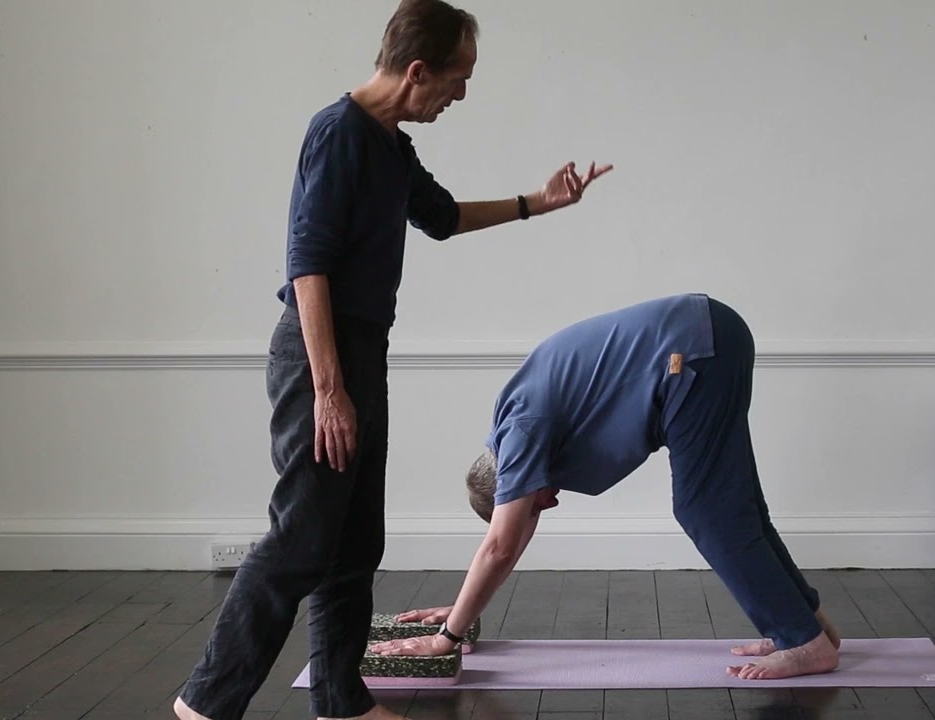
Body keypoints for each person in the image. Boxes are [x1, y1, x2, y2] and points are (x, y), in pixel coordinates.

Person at [173, 1, 612, 718]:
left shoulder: (389, 143)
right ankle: (203, 704)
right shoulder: (338, 133)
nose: (461, 94)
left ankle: (342, 700)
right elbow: (308, 268)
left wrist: (540, 202)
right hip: (321, 355)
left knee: (353, 542)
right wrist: (328, 389)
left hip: (361, 352)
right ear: (418, 71)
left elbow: (440, 218)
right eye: (457, 78)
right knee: (303, 537)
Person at [369, 293, 842, 680]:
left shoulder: (520, 435)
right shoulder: (515, 421)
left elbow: (501, 545)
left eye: (538, 504)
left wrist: (447, 637)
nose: (550, 502)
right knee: (738, 508)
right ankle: (803, 624)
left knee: (708, 511)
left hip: (695, 351)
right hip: (710, 334)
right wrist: (463, 610)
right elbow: (512, 538)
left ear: (509, 483)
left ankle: (804, 644)